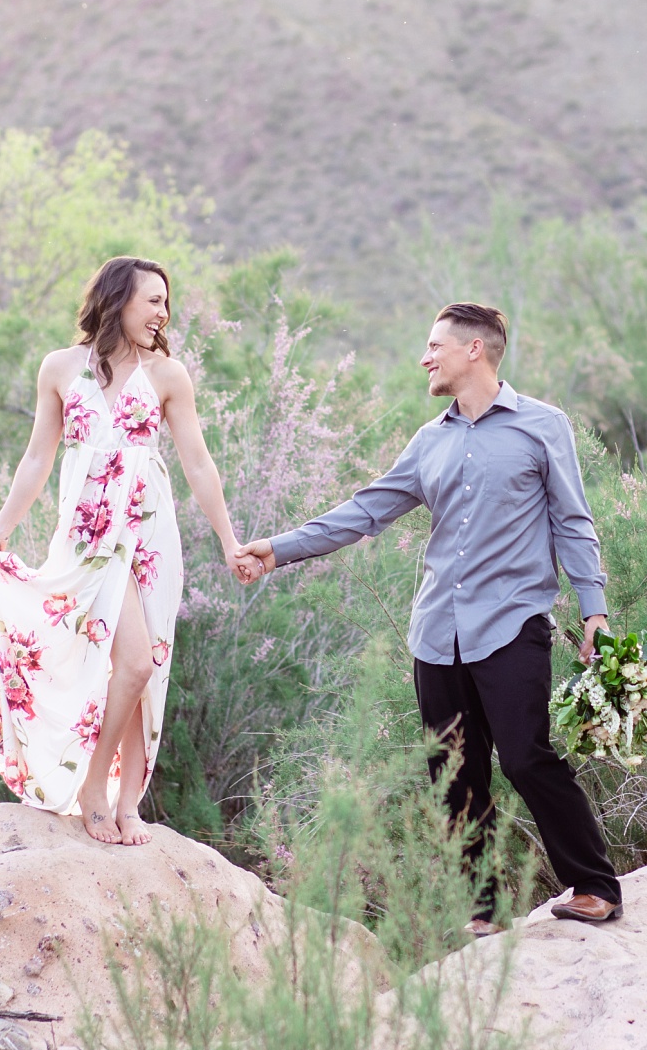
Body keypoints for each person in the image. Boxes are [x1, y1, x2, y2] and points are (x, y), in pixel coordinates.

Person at [235, 301, 624, 928]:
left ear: (475, 350)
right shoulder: (430, 441)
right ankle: (485, 909)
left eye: (434, 346)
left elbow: (573, 523)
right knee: (453, 774)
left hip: (512, 622)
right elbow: (364, 512)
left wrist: (593, 612)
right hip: (437, 632)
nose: (425, 357)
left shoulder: (543, 426)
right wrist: (278, 550)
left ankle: (594, 883)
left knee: (526, 759)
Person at [0, 256, 245, 845]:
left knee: (143, 668)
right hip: (89, 533)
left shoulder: (168, 375)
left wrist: (229, 542)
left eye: (166, 303)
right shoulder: (59, 368)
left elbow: (198, 463)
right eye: (153, 300)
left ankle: (129, 803)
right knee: (133, 661)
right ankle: (93, 788)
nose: (163, 313)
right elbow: (36, 459)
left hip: (149, 534)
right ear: (118, 298)